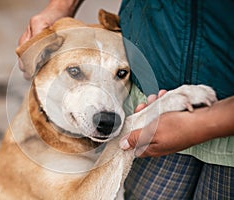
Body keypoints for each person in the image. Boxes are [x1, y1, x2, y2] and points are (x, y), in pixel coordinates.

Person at [18, 0, 234, 199]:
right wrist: (62, 5)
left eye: (120, 74)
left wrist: (204, 124)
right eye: (76, 72)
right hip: (148, 100)